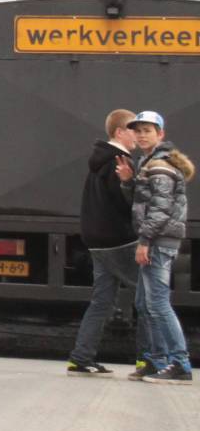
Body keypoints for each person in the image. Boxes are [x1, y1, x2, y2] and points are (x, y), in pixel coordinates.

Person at [66, 109, 141, 374]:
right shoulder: (121, 161)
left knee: (102, 301)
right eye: (133, 129)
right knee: (149, 296)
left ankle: (81, 358)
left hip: (97, 241)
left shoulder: (99, 160)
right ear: (119, 132)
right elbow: (127, 203)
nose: (138, 135)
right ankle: (149, 360)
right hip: (119, 240)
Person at [126, 111, 193, 384]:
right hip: (157, 239)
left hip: (158, 242)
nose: (142, 134)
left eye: (148, 130)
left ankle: (180, 363)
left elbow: (160, 209)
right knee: (144, 303)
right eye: (138, 130)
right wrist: (128, 181)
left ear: (160, 134)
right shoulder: (149, 162)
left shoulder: (160, 165)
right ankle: (156, 360)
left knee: (158, 304)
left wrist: (144, 241)